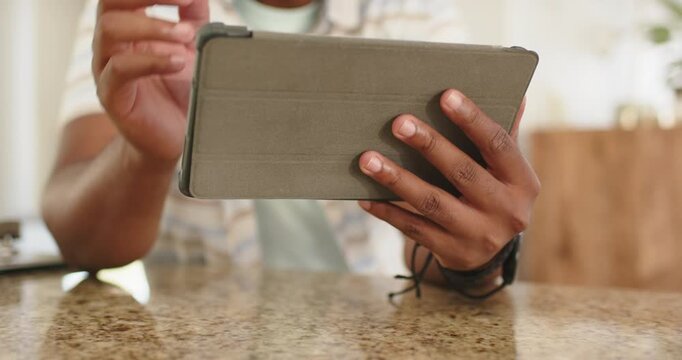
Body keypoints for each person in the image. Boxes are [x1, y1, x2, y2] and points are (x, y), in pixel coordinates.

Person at [42, 0, 539, 295]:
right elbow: (81, 244)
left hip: (369, 328)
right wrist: (144, 155)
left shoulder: (414, 11)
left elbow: (433, 251)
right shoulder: (145, 11)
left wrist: (479, 260)